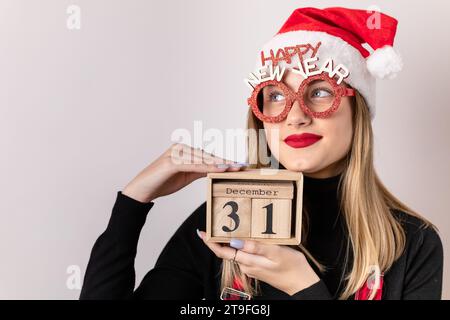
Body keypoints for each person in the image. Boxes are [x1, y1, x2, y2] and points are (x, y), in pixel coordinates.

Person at [80, 7, 443, 300]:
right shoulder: (221, 221)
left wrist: (303, 288)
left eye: (318, 92)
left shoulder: (413, 243)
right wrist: (132, 203)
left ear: (357, 109)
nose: (297, 116)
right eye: (277, 96)